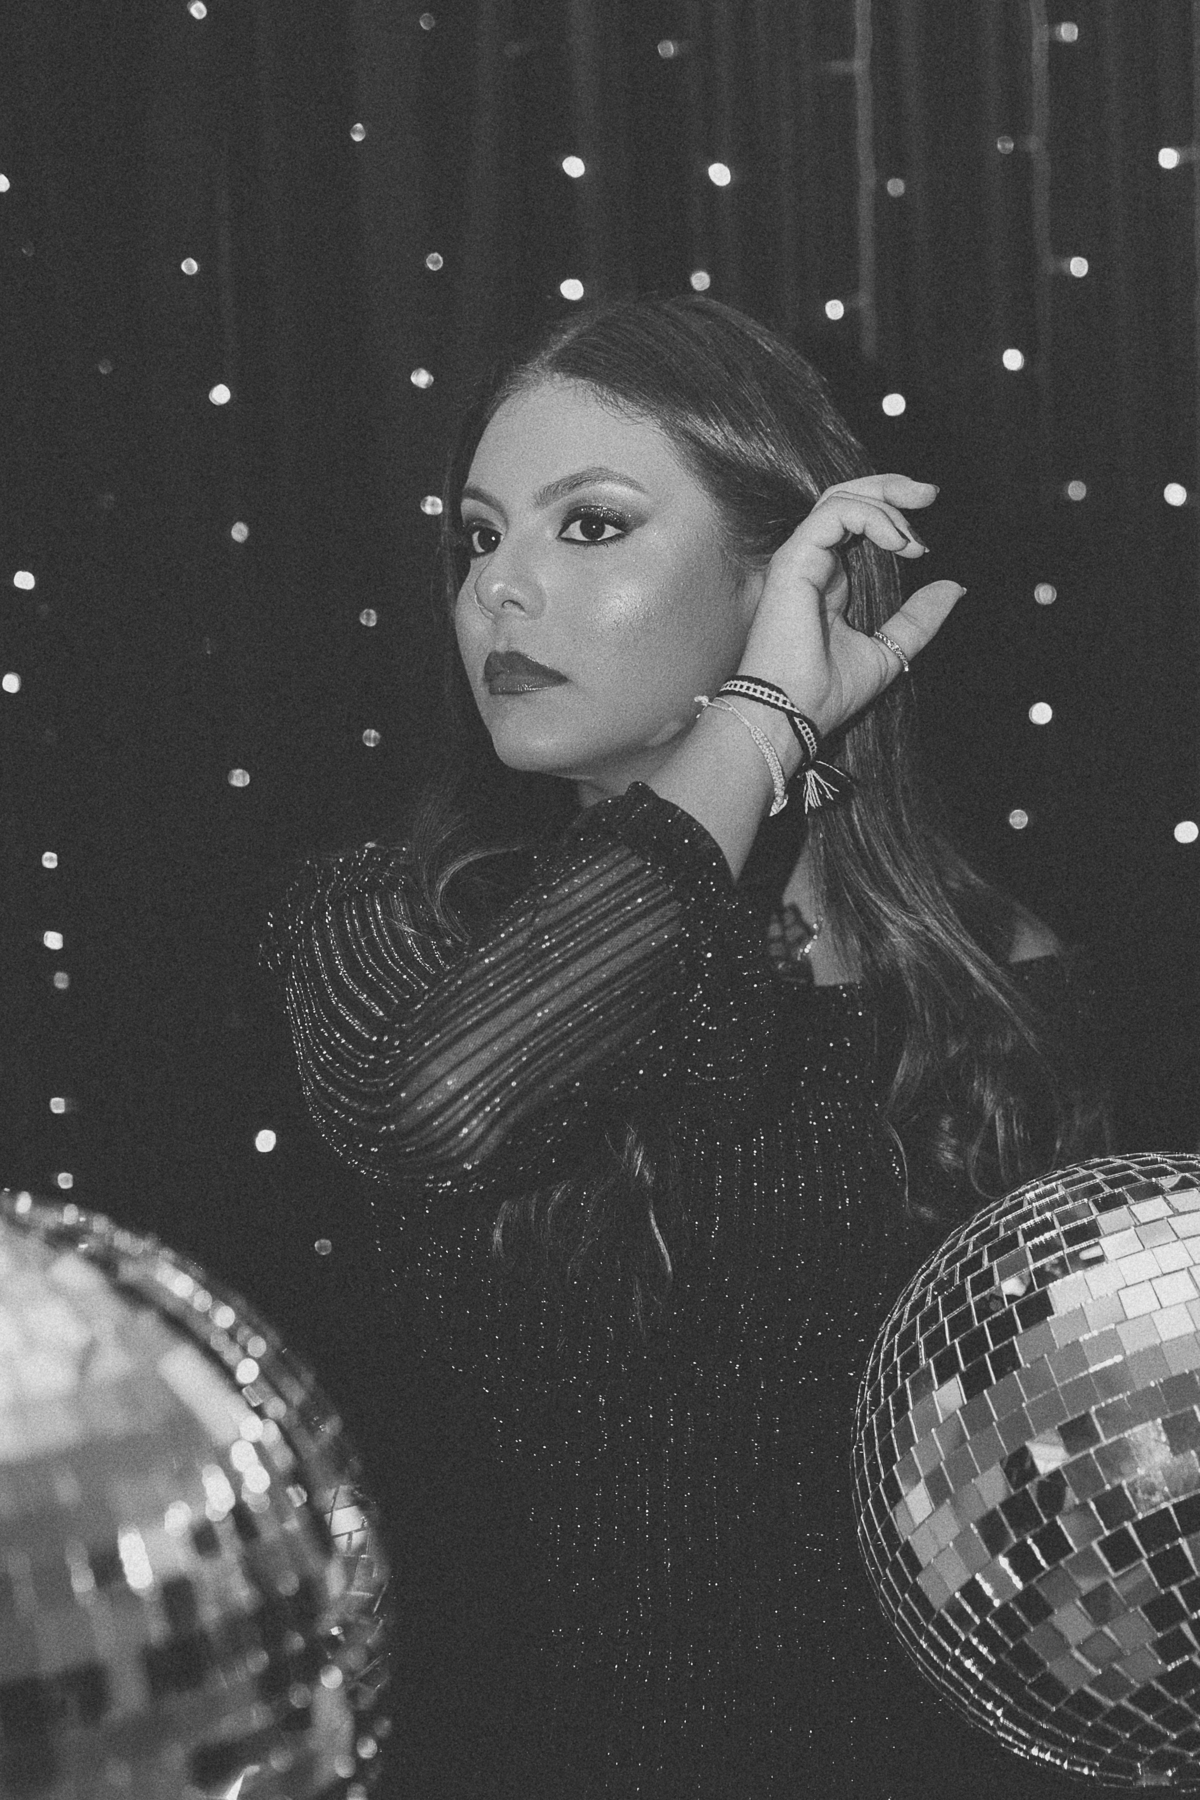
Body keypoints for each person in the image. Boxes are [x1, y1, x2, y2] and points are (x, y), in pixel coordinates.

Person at [258, 294, 1111, 1798]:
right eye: (476, 537)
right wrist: (765, 719)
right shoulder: (387, 920)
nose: (498, 589)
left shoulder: (986, 978)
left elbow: (1069, 1507)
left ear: (784, 580)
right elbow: (441, 1103)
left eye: (589, 526)